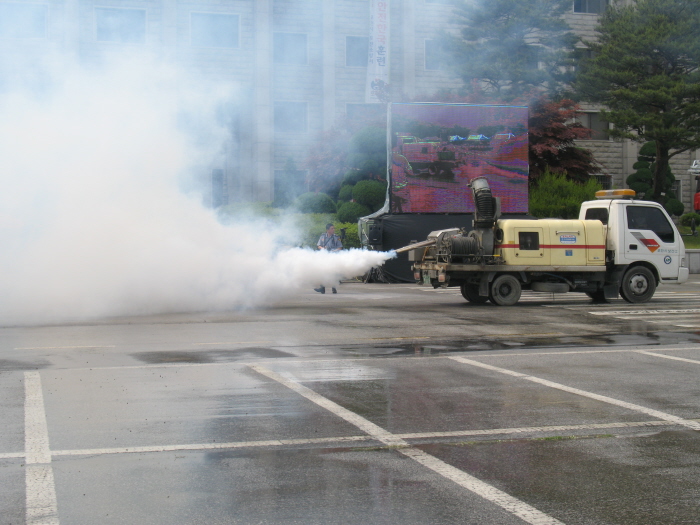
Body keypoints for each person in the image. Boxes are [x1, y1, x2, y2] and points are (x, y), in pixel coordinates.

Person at [314, 223, 342, 294]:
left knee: (333, 272)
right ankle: (322, 288)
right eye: (332, 228)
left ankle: (334, 288)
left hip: (333, 256)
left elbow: (340, 247)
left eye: (333, 228)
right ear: (328, 230)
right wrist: (322, 248)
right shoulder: (323, 236)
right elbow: (318, 245)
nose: (333, 230)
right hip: (324, 256)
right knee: (323, 272)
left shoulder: (336, 237)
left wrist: (334, 251)